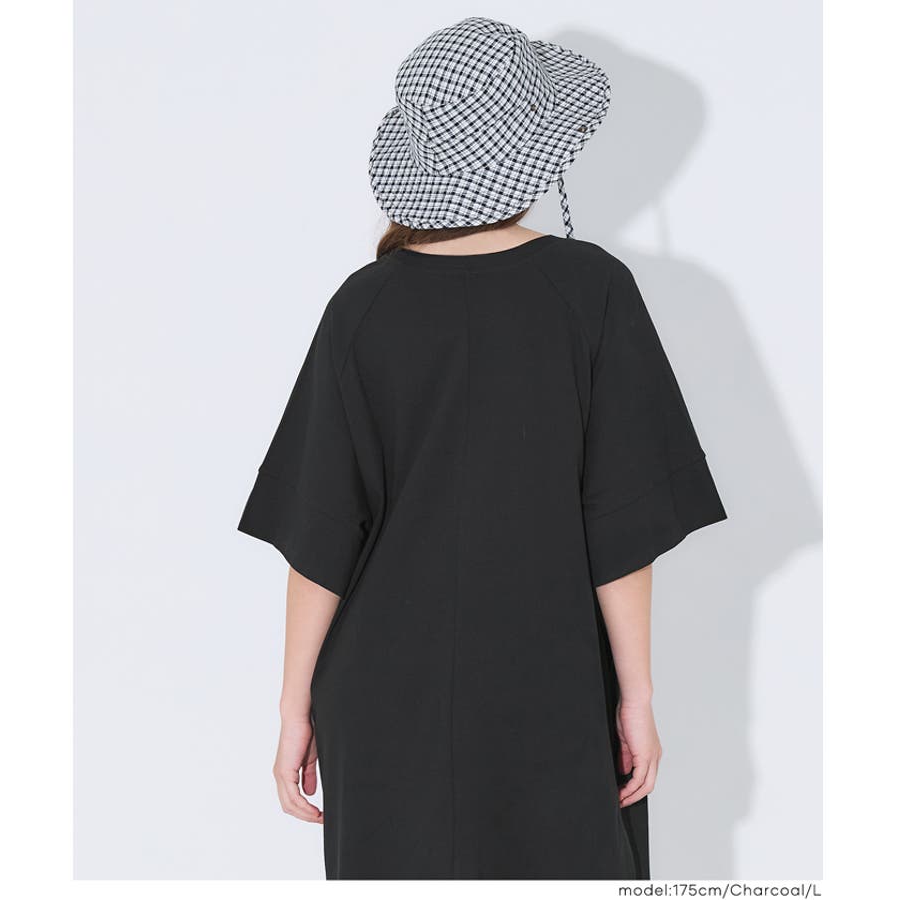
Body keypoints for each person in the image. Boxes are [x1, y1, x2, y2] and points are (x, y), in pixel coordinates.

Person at [238, 16, 726, 880]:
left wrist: (294, 707)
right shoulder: (592, 291)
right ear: (536, 152)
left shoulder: (363, 306)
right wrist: (637, 695)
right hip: (551, 687)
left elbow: (321, 535)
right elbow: (622, 528)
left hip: (381, 700)